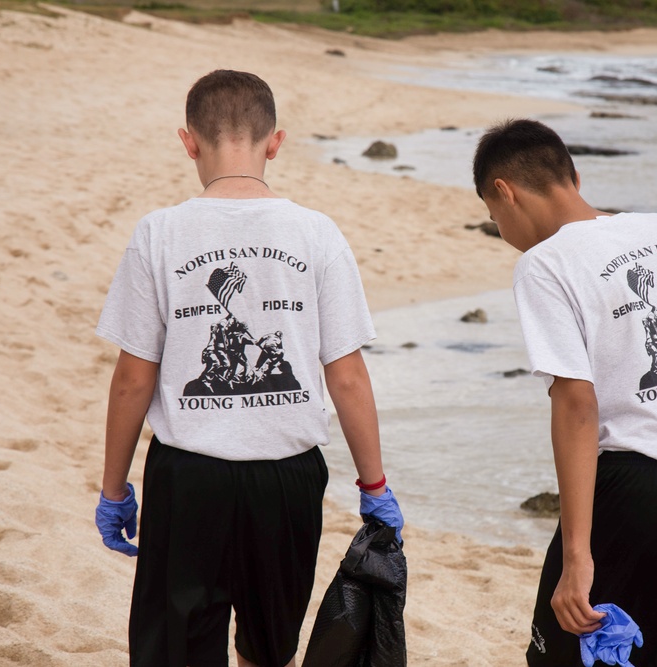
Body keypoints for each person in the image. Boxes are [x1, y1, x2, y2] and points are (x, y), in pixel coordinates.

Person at [93, 70, 403, 667]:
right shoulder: (317, 233)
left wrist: (114, 488)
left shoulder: (158, 233)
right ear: (275, 142)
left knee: (176, 647)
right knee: (269, 647)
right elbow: (347, 375)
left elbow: (134, 376)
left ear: (189, 141)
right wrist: (374, 486)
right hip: (286, 478)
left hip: (188, 477)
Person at [472, 119, 657, 666]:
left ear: (503, 192)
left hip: (637, 492)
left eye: (495, 220)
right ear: (574, 177)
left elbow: (577, 403)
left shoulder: (544, 264)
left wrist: (577, 555)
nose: (503, 231)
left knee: (569, 655)